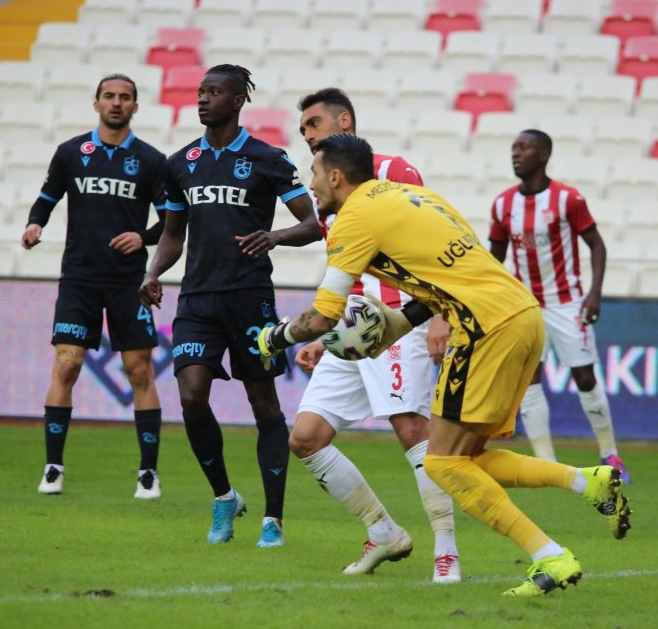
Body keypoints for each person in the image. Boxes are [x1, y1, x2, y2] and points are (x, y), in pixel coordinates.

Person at [258, 134, 632, 596]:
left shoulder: (353, 219)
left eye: (314, 174)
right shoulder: (412, 196)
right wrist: (397, 323)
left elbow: (323, 316)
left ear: (336, 176)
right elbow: (446, 277)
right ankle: (589, 481)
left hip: (483, 328)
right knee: (465, 458)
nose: (311, 185)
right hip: (521, 314)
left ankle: (549, 556)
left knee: (443, 464)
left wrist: (275, 337)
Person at [138, 64, 321, 548]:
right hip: (197, 300)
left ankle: (273, 519)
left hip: (250, 300)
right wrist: (153, 273)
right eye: (200, 91)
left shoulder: (267, 158)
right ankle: (224, 497)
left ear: (238, 100)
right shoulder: (180, 162)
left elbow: (313, 223)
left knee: (264, 406)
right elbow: (174, 234)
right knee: (192, 396)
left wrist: (276, 235)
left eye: (214, 92)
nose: (203, 99)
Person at [291, 88, 460, 582]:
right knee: (306, 438)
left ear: (344, 120)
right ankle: (383, 531)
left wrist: (441, 316)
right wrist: (326, 337)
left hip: (396, 321)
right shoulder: (326, 189)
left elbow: (434, 244)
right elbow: (344, 267)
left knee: (412, 430)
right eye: (303, 129)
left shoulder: (394, 172)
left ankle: (446, 551)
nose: (308, 135)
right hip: (352, 328)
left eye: (315, 124)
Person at [21, 74, 168, 499]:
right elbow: (48, 196)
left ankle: (148, 473)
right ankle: (52, 467)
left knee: (138, 371)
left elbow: (173, 220)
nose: (116, 103)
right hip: (79, 280)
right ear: (96, 103)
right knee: (66, 364)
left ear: (136, 107)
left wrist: (144, 237)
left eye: (125, 98)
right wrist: (35, 223)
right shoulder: (71, 153)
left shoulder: (151, 160)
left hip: (129, 282)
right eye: (109, 96)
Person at [489, 130, 630, 481]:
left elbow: (597, 246)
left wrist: (593, 293)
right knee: (530, 381)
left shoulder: (568, 199)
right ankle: (547, 463)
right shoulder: (503, 204)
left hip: (567, 303)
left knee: (584, 376)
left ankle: (610, 454)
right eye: (514, 148)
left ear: (544, 155)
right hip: (525, 306)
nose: (516, 154)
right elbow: (494, 258)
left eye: (524, 148)